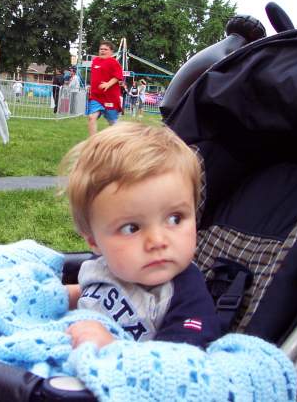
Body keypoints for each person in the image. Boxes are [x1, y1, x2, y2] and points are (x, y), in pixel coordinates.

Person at [60, 122, 221, 348]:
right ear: (95, 241)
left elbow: (182, 361)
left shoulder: (186, 296)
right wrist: (63, 297)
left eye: (175, 219)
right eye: (131, 228)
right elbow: (93, 290)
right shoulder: (102, 266)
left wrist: (111, 349)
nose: (157, 241)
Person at [86, 41, 123, 136]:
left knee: (113, 124)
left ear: (111, 52)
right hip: (96, 97)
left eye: (105, 49)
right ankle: (93, 142)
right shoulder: (95, 61)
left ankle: (119, 141)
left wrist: (108, 84)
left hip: (110, 98)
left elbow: (119, 76)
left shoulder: (113, 62)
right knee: (91, 117)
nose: (102, 51)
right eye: (101, 49)